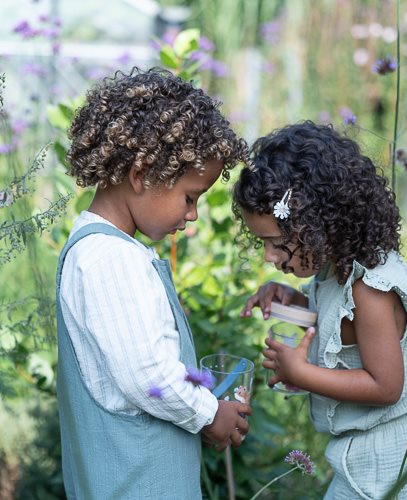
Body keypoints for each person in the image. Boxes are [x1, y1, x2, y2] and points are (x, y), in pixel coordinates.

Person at [56, 67, 251, 499]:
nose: (193, 214)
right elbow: (146, 375)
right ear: (142, 174)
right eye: (190, 196)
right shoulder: (110, 258)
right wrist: (208, 412)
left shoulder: (108, 250)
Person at [233, 121, 407, 499]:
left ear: (315, 223)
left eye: (273, 242)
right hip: (363, 461)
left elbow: (386, 387)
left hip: (395, 470)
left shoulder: (369, 287)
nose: (268, 257)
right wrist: (295, 301)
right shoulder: (337, 269)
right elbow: (340, 325)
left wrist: (301, 372)